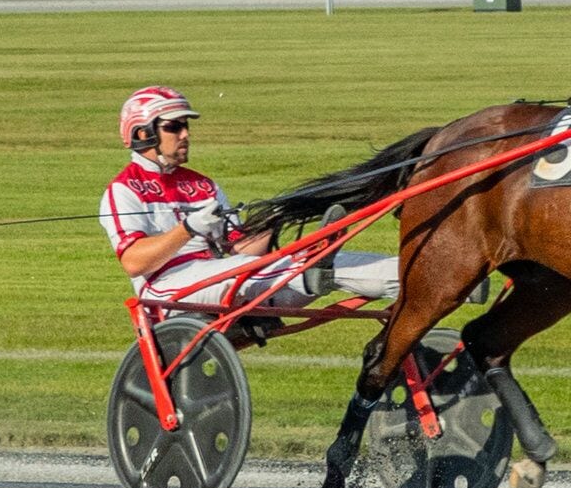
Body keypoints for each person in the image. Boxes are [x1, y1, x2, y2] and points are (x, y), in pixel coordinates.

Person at [98, 84, 396, 316]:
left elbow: (241, 248)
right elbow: (134, 262)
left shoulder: (202, 184)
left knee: (318, 263)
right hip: (165, 290)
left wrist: (273, 221)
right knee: (247, 270)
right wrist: (188, 229)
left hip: (229, 280)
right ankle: (310, 273)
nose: (186, 134)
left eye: (187, 125)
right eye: (174, 127)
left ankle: (407, 277)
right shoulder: (124, 190)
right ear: (142, 133)